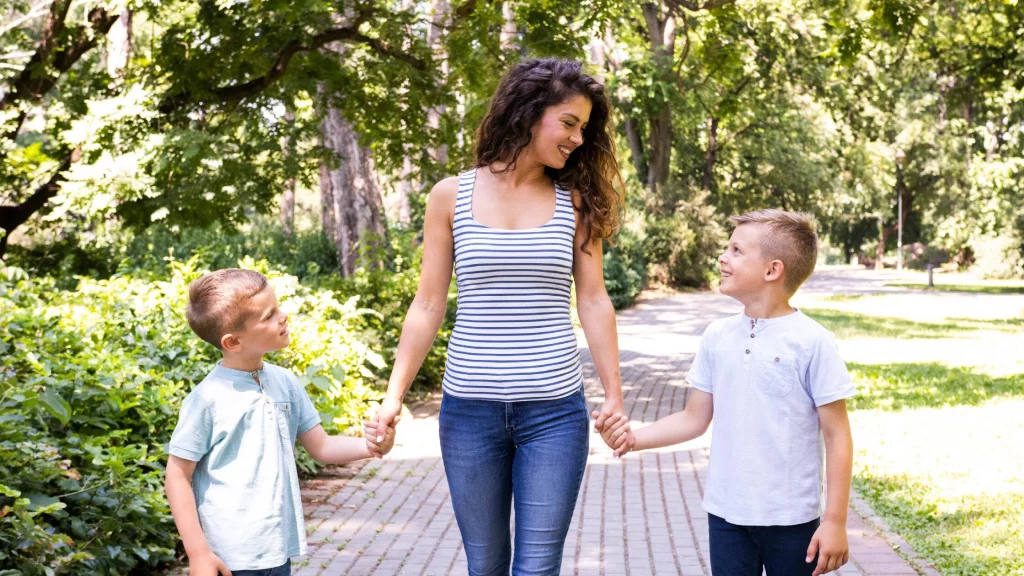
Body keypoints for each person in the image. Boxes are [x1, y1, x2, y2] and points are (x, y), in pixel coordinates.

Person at [368, 58, 629, 575]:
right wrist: (392, 398)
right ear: (529, 113)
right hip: (469, 414)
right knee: (484, 564)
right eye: (569, 123)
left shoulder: (576, 202)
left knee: (536, 567)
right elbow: (427, 304)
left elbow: (594, 300)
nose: (578, 139)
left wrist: (614, 396)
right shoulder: (450, 195)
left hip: (555, 413)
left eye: (584, 128)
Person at [598, 209, 856, 576]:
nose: (723, 256)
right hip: (725, 514)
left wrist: (834, 521)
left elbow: (837, 434)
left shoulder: (813, 342)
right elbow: (694, 418)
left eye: (736, 250)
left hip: (792, 519)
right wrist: (632, 439)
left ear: (772, 270)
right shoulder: (717, 336)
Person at [164, 269, 396, 576]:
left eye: (278, 307)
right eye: (270, 315)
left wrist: (372, 446)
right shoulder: (208, 399)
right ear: (233, 341)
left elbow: (322, 446)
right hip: (228, 558)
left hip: (277, 551)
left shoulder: (284, 382)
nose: (284, 317)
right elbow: (177, 476)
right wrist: (198, 554)